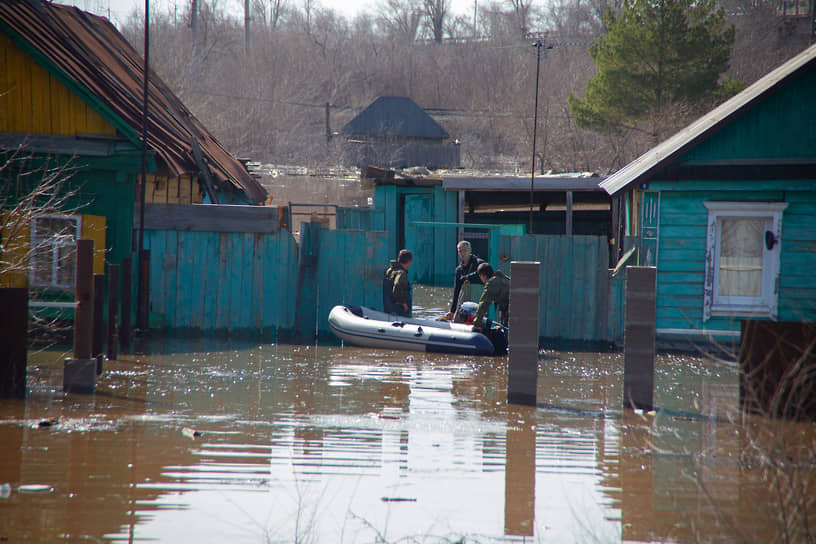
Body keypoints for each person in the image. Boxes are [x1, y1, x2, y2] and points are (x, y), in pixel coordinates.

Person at [445, 240, 485, 320]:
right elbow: (456, 291)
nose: (462, 253)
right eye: (460, 251)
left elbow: (488, 285)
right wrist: (452, 310)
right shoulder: (459, 270)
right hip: (464, 303)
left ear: (470, 250)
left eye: (464, 250)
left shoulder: (480, 264)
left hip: (477, 303)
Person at [472, 262, 510, 329]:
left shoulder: (492, 282)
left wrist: (476, 323)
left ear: (483, 275)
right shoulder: (502, 279)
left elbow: (484, 303)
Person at [383, 249, 412, 317]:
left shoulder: (390, 270)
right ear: (409, 262)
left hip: (389, 309)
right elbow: (397, 284)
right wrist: (403, 303)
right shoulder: (401, 273)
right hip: (399, 311)